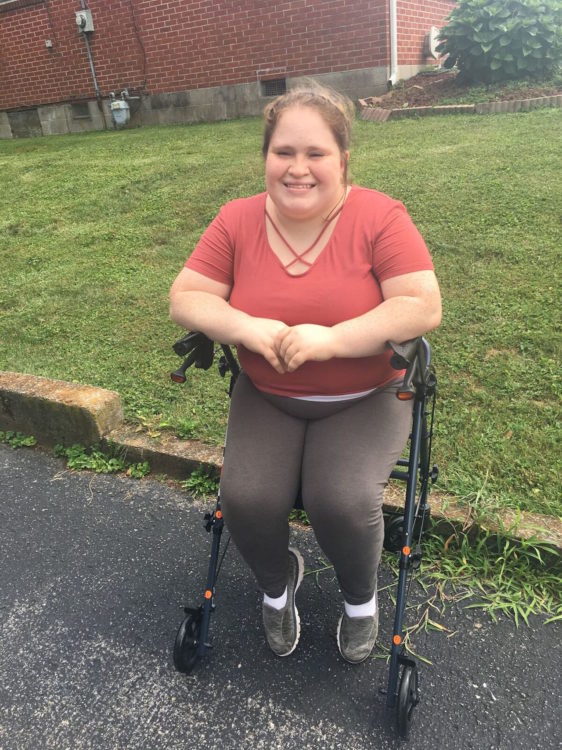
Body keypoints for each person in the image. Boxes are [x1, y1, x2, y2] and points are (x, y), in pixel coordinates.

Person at [169, 82, 441, 664]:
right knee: (246, 498)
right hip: (268, 391)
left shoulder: (379, 216)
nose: (298, 168)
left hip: (368, 392)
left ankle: (360, 602)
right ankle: (277, 584)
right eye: (282, 152)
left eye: (315, 154)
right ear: (265, 157)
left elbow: (421, 305)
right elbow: (187, 297)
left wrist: (331, 340)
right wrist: (248, 328)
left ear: (343, 159)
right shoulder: (237, 220)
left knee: (339, 499)